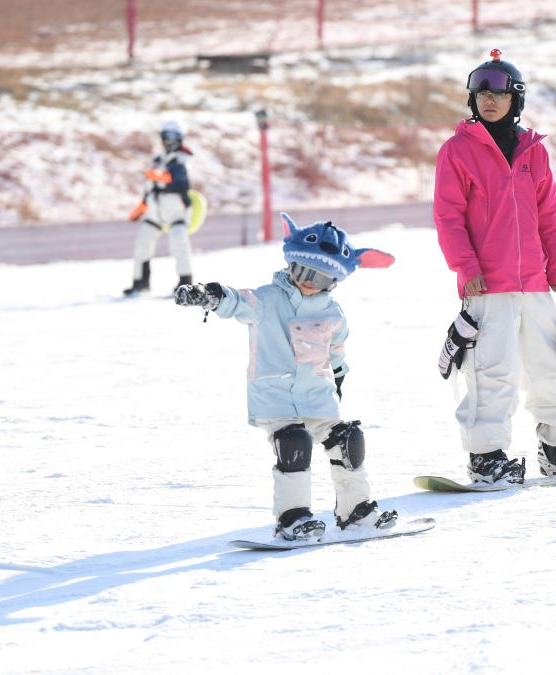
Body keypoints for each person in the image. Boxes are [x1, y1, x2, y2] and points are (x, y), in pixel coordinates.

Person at [174, 213, 398, 542]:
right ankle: (292, 518)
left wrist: (337, 381)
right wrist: (210, 294)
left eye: (321, 278)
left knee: (348, 440)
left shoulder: (333, 312)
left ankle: (356, 513)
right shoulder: (268, 299)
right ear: (291, 265)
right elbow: (238, 300)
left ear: (334, 282)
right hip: (276, 397)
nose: (309, 282)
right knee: (294, 442)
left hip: (317, 396)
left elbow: (336, 352)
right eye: (303, 272)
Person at [432, 48, 556, 485]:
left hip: (536, 284)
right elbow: (448, 216)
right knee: (493, 372)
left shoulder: (533, 151)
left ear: (516, 99)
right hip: (487, 286)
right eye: (481, 93)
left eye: (499, 93)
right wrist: (466, 267)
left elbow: (550, 216)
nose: (489, 100)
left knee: (555, 368)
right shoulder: (457, 152)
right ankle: (487, 459)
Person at [123, 120, 195, 296]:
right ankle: (140, 282)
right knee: (142, 242)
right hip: (155, 209)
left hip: (175, 209)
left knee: (179, 243)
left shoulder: (182, 159)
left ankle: (185, 283)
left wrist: (158, 176)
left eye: (173, 137)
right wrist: (142, 207)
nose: (169, 141)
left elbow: (177, 180)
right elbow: (149, 187)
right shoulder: (158, 159)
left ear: (180, 138)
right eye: (166, 137)